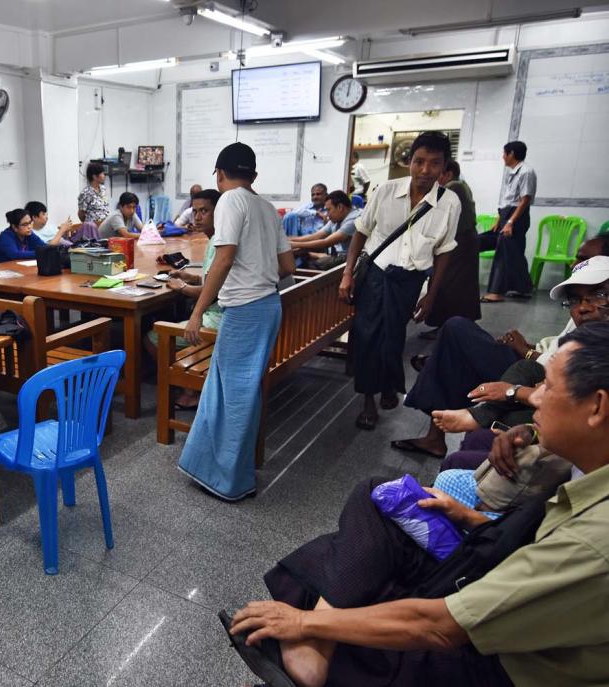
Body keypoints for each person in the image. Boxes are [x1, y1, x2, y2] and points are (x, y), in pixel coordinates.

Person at [227, 322, 609, 687]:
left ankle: (314, 649)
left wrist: (302, 625)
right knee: (378, 495)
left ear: (597, 407)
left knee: (334, 564)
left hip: (497, 663)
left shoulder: (596, 542)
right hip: (497, 563)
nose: (533, 396)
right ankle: (314, 650)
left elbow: (440, 628)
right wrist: (470, 518)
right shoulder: (590, 469)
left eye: (549, 388)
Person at [396, 244, 609, 458]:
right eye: (575, 299)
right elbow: (559, 351)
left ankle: (455, 414)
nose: (583, 306)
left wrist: (522, 359)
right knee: (455, 335)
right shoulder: (586, 318)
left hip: (538, 370)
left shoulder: (596, 334)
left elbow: (560, 372)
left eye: (598, 294)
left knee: (457, 336)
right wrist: (529, 347)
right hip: (540, 366)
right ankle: (440, 410)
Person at [177, 143, 295, 501]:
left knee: (230, 395)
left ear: (219, 174)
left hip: (244, 310)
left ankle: (229, 480)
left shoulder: (230, 200)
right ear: (254, 176)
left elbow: (224, 259)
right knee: (237, 392)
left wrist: (197, 311)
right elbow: (287, 267)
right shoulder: (267, 207)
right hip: (268, 306)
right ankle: (222, 469)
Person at [341, 131, 462, 431]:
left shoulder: (449, 203)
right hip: (376, 277)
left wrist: (431, 295)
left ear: (444, 167)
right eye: (419, 161)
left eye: (434, 164)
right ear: (410, 161)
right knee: (368, 337)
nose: (424, 170)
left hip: (410, 281)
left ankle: (388, 385)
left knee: (394, 337)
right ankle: (368, 399)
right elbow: (360, 231)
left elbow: (444, 252)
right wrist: (347, 274)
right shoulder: (385, 191)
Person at [144, 188, 223, 410]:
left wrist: (183, 287)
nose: (197, 217)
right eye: (195, 211)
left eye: (204, 211)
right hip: (221, 315)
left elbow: (213, 291)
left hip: (218, 320)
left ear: (220, 212)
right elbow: (213, 281)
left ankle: (189, 388)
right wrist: (189, 276)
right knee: (172, 317)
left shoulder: (219, 244)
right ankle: (186, 377)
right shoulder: (216, 240)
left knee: (151, 337)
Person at [420, 160, 480, 336]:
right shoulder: (462, 185)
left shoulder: (453, 188)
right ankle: (452, 327)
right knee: (460, 285)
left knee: (449, 285)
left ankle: (447, 328)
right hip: (464, 241)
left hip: (459, 243)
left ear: (448, 174)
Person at [479, 141, 537, 302]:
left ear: (511, 154)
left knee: (504, 250)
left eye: (504, 153)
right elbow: (507, 199)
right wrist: (500, 219)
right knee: (514, 252)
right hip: (506, 215)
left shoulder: (526, 172)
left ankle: (496, 292)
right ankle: (524, 289)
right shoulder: (512, 172)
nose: (503, 157)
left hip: (516, 217)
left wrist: (510, 222)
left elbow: (525, 200)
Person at [287, 191, 361, 269]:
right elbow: (315, 236)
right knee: (302, 256)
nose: (327, 214)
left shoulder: (354, 219)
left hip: (353, 259)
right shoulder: (336, 218)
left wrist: (294, 244)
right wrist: (287, 240)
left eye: (329, 210)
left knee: (315, 264)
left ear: (340, 207)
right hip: (340, 255)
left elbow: (326, 242)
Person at [77, 161, 111, 226]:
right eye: (102, 173)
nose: (104, 176)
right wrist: (89, 225)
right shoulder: (86, 193)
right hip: (93, 227)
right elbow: (81, 213)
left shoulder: (103, 189)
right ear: (94, 177)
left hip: (105, 224)